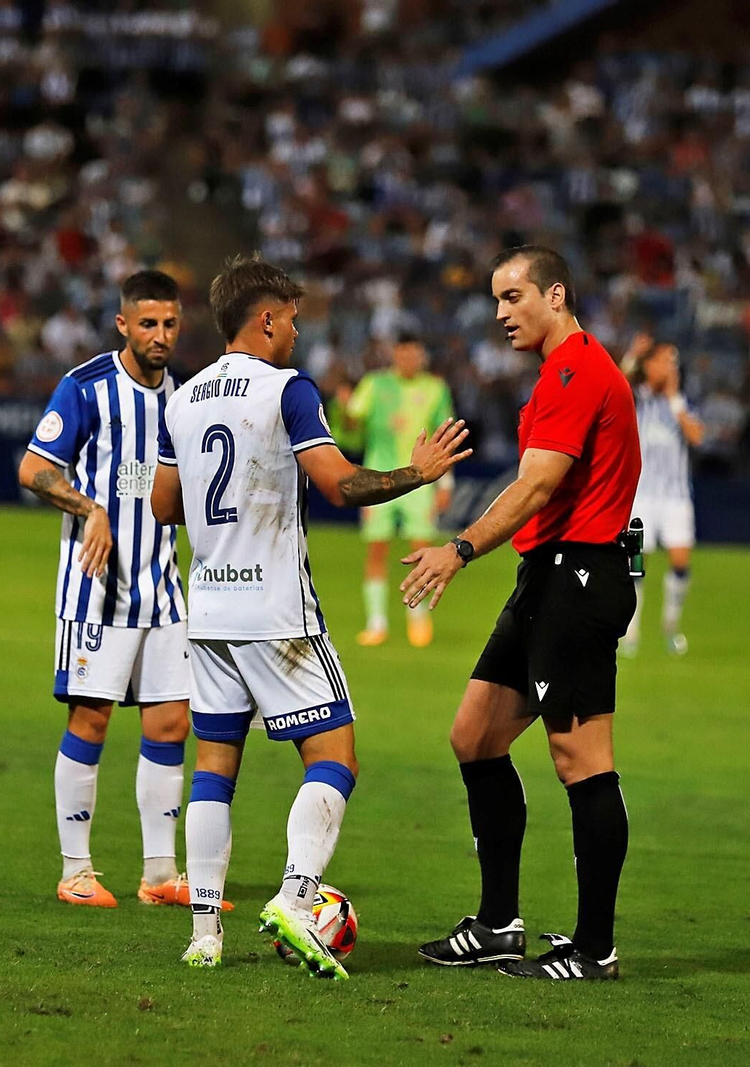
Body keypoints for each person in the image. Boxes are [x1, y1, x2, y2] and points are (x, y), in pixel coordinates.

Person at [151, 254, 470, 976]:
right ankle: (296, 898)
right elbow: (338, 484)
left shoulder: (184, 397)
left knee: (213, 767)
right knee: (335, 754)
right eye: (292, 319)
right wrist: (416, 474)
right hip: (276, 610)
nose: (296, 332)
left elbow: (164, 507)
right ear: (265, 319)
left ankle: (205, 932)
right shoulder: (287, 390)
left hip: (210, 611)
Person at [401, 245, 641, 981]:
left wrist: (459, 548)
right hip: (548, 578)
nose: (501, 313)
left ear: (556, 294)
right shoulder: (557, 375)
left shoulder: (575, 372)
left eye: (513, 297)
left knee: (582, 760)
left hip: (579, 576)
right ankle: (501, 923)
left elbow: (537, 487)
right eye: (496, 300)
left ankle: (594, 949)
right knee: (474, 735)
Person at [18, 270, 200, 911]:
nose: (160, 335)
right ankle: (77, 870)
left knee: (172, 723)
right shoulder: (87, 387)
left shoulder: (185, 396)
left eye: (170, 324)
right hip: (97, 589)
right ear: (123, 324)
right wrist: (89, 508)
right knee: (90, 719)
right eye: (147, 323)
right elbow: (34, 469)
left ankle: (158, 875)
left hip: (164, 587)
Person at [338, 335, 456, 648]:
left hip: (420, 480)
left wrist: (446, 482)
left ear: (421, 356)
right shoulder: (375, 384)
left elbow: (443, 436)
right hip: (380, 479)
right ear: (395, 354)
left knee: (421, 549)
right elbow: (351, 427)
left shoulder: (435, 388)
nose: (409, 360)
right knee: (377, 549)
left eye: (414, 354)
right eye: (403, 353)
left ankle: (418, 618)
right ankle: (376, 622)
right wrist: (343, 407)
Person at [621, 333, 704, 656]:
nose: (667, 368)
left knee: (681, 559)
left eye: (671, 363)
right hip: (641, 495)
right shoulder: (637, 398)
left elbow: (697, 437)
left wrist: (674, 398)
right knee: (636, 563)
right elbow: (612, 384)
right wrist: (632, 355)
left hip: (676, 496)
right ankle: (630, 631)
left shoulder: (682, 402)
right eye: (661, 362)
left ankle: (671, 625)